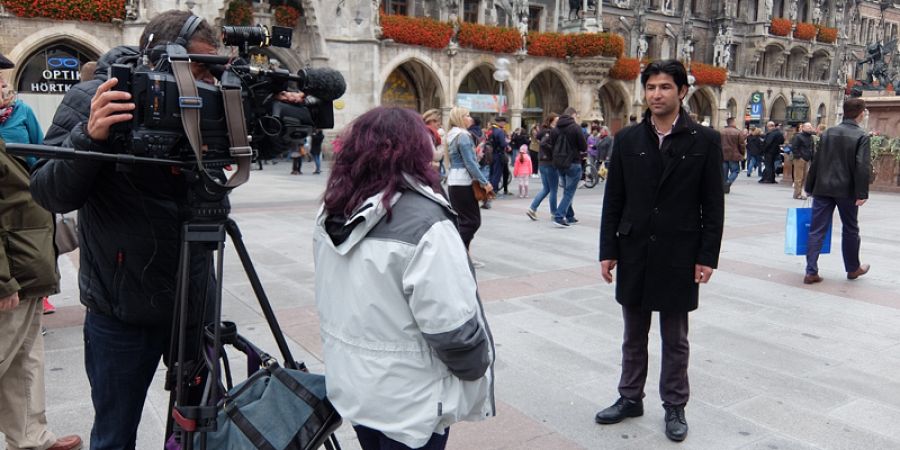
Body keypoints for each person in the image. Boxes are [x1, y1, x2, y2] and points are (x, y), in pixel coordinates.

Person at [29, 11, 307, 448]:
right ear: (160, 59)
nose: (205, 82)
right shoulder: (98, 96)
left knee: (200, 431)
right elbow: (48, 192)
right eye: (197, 69)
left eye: (212, 70)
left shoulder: (219, 98)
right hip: (121, 305)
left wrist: (281, 119)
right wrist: (89, 136)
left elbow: (260, 148)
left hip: (196, 298)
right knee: (114, 434)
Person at [314, 106, 495, 450]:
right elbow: (452, 328)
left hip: (356, 384)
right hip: (412, 399)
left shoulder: (331, 210)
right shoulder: (427, 222)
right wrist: (476, 366)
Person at [596, 60, 724, 443]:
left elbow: (712, 205)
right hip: (634, 248)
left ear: (682, 92)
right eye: (651, 87)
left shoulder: (704, 140)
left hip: (679, 252)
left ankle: (674, 405)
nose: (656, 94)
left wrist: (707, 256)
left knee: (675, 336)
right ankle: (630, 396)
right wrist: (608, 249)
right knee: (633, 333)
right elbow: (613, 199)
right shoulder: (628, 140)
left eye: (665, 87)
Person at [0, 53, 83, 450]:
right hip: (10, 267)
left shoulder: (17, 116)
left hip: (29, 256)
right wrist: (2, 280)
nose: (4, 90)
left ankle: (31, 436)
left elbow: (42, 165)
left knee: (26, 357)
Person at [0, 70, 59, 315]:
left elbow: (41, 152)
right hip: (9, 233)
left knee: (29, 350)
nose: (3, 84)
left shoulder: (22, 112)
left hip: (29, 219)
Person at [802, 98, 871, 285]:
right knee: (850, 228)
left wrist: (809, 186)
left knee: (817, 229)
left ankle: (811, 271)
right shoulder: (861, 135)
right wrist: (862, 193)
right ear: (860, 113)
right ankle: (852, 268)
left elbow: (816, 161)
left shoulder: (828, 133)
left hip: (822, 188)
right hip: (846, 190)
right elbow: (862, 166)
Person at [446, 106, 493, 250]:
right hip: (464, 182)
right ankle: (452, 249)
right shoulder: (463, 136)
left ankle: (462, 256)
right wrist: (484, 182)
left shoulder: (451, 135)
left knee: (462, 221)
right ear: (460, 118)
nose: (470, 118)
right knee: (472, 222)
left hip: (453, 181)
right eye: (467, 115)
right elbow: (470, 164)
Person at [547, 107, 586, 228]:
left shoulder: (555, 129)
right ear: (573, 115)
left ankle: (570, 216)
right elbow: (583, 146)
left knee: (567, 191)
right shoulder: (575, 127)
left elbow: (551, 145)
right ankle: (559, 216)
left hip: (559, 164)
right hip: (573, 163)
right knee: (569, 192)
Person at [526, 113, 559, 220]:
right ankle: (554, 213)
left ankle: (532, 208)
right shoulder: (550, 132)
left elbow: (542, 143)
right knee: (553, 189)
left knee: (546, 188)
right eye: (556, 121)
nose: (558, 122)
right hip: (550, 163)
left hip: (542, 163)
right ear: (551, 121)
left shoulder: (543, 131)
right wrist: (554, 151)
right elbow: (544, 144)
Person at [790, 122, 814, 200]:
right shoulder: (798, 136)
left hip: (807, 159)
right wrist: (799, 156)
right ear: (803, 128)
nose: (810, 128)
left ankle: (801, 192)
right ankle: (797, 194)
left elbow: (811, 148)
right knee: (798, 177)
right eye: (808, 127)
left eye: (810, 127)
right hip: (800, 159)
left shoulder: (810, 137)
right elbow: (794, 147)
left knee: (804, 177)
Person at [720, 117, 745, 194]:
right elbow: (742, 145)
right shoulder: (738, 132)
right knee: (735, 170)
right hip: (734, 155)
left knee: (724, 172)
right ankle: (728, 182)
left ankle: (724, 187)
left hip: (723, 154)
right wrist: (742, 153)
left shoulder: (721, 131)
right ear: (733, 122)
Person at [423, 109, 444, 175]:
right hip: (426, 171)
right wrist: (442, 143)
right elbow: (436, 156)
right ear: (431, 121)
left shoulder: (423, 131)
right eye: (438, 122)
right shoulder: (428, 133)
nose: (439, 125)